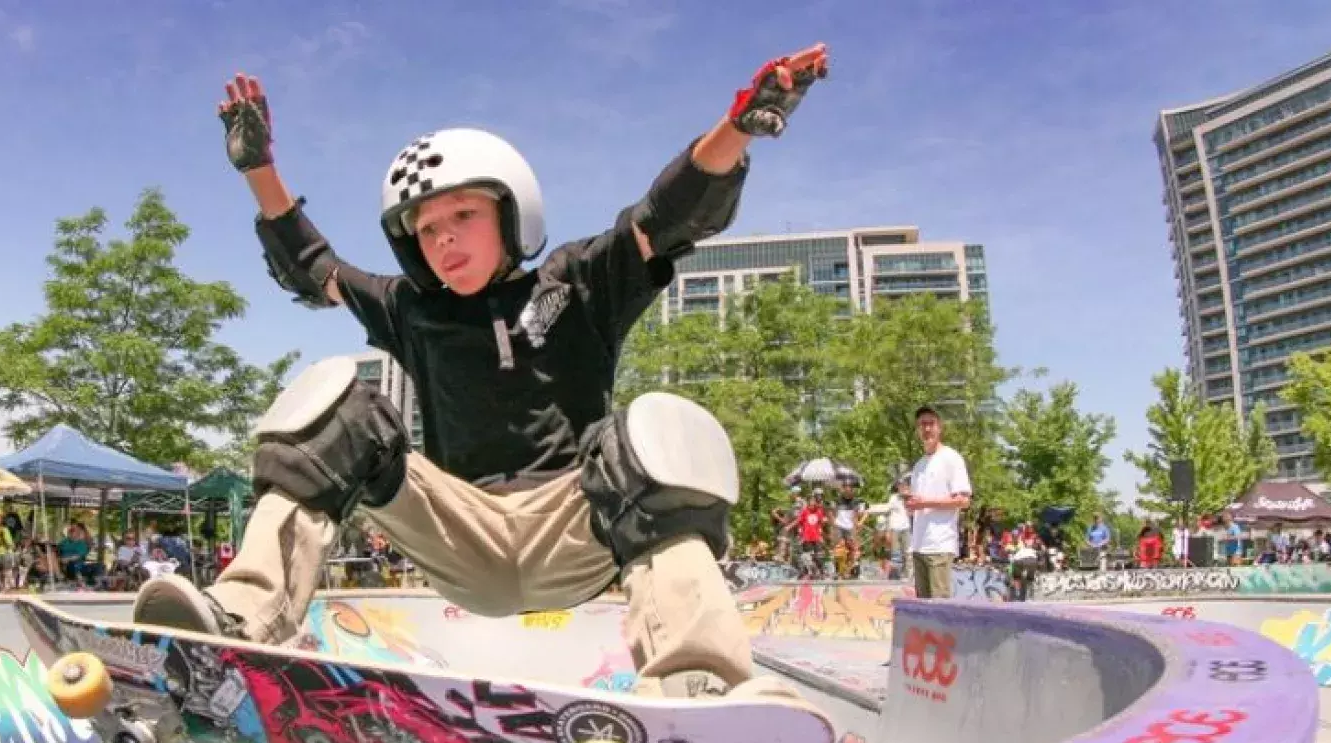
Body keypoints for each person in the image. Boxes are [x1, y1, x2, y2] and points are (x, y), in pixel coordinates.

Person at [136, 45, 831, 702]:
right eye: (426, 229)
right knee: (333, 405)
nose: (442, 240)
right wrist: (259, 170)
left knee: (654, 428)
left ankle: (696, 682)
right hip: (460, 530)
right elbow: (312, 268)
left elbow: (668, 217)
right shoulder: (410, 310)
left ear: (510, 214)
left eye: (462, 216)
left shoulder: (579, 281)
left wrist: (738, 128)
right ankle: (240, 624)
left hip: (574, 527)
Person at [903, 406, 972, 599]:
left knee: (940, 608)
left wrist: (925, 503)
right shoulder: (919, 465)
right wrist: (911, 506)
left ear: (939, 427)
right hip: (919, 545)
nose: (926, 429)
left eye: (930, 424)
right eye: (922, 425)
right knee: (924, 610)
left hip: (940, 545)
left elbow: (963, 500)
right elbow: (920, 503)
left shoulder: (951, 458)